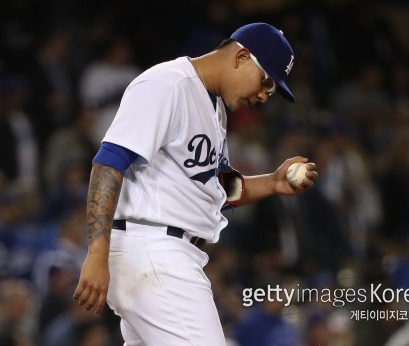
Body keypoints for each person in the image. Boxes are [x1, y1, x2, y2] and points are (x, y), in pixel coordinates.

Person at [73, 22, 318, 345]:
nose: (263, 95)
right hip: (155, 252)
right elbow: (108, 164)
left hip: (163, 256)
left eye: (271, 90)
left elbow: (219, 190)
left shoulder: (214, 108)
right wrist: (96, 251)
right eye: (266, 81)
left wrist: (273, 183)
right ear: (241, 56)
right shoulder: (168, 85)